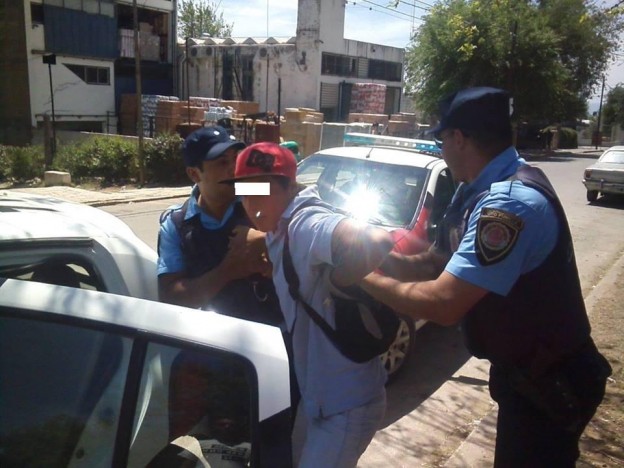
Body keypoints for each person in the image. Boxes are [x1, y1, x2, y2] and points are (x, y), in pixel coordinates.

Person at [358, 87, 612, 467]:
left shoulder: (508, 204)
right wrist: (374, 254)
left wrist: (360, 277)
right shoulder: (474, 190)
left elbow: (444, 305)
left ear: (458, 138)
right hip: (526, 374)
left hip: (553, 380)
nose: (442, 150)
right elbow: (433, 264)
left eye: (442, 140)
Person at [221, 142, 394, 468]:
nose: (251, 204)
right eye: (244, 193)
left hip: (346, 404)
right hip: (319, 398)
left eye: (260, 191)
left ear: (290, 187)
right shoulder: (279, 227)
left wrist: (340, 280)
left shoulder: (304, 223)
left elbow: (377, 241)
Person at [157, 126, 282, 326]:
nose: (234, 169)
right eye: (223, 162)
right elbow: (171, 297)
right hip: (213, 337)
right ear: (194, 174)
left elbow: (300, 201)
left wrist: (266, 241)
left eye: (235, 159)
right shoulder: (176, 224)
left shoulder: (256, 190)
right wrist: (228, 270)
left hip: (273, 333)